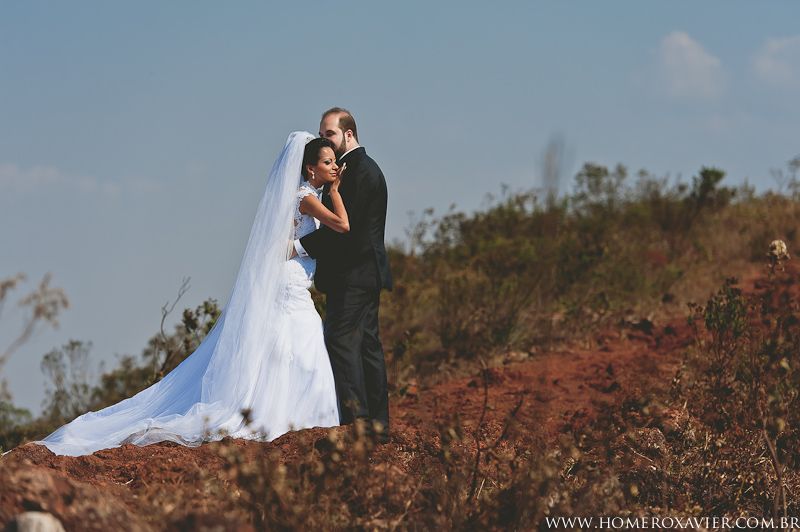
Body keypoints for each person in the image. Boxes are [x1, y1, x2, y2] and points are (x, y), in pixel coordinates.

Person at [32, 132, 346, 456]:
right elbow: (342, 225)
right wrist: (335, 192)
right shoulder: (306, 197)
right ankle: (297, 417)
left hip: (293, 277)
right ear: (310, 170)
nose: (335, 167)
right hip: (290, 283)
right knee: (301, 340)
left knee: (288, 344)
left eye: (334, 161)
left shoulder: (303, 196)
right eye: (328, 162)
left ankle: (290, 414)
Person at [293, 108, 392, 439]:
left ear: (348, 135)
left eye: (330, 134)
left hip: (354, 274)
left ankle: (358, 423)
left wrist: (299, 246)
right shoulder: (354, 170)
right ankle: (377, 426)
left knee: (341, 341)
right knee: (367, 347)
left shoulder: (361, 173)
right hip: (364, 273)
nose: (325, 140)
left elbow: (346, 232)